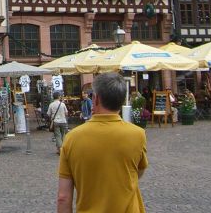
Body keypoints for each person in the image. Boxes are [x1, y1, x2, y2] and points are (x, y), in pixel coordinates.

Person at [57, 72, 147, 213]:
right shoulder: (137, 134)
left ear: (96, 98)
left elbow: (63, 197)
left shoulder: (72, 138)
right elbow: (138, 172)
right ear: (122, 100)